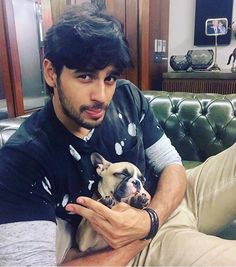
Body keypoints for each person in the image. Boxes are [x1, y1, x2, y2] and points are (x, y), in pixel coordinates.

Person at [0, 4, 235, 266]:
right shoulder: (22, 160)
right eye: (85, 76)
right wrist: (144, 236)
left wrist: (150, 219)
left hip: (171, 202)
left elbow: (171, 164)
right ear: (51, 72)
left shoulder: (127, 96)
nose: (101, 96)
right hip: (127, 247)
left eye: (109, 78)